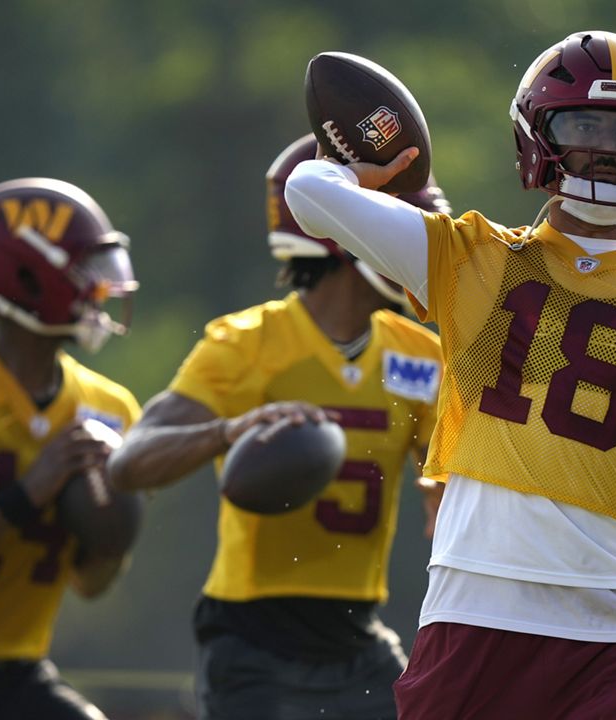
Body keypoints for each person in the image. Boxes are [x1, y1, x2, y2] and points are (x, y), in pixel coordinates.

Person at [285, 30, 616, 719]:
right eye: (583, 123)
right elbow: (306, 189)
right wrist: (383, 174)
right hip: (478, 609)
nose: (607, 146)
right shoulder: (473, 255)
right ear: (536, 135)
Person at [106, 135, 448, 720]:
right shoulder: (243, 346)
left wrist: (452, 496)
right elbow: (128, 464)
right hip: (253, 636)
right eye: (390, 215)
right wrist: (230, 430)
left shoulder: (423, 356)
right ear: (340, 232)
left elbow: (453, 479)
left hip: (357, 632)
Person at [0, 178, 141, 720]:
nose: (104, 289)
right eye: (88, 273)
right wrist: (31, 491)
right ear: (28, 275)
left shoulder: (111, 408)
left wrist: (113, 532)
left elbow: (90, 583)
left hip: (18, 673)